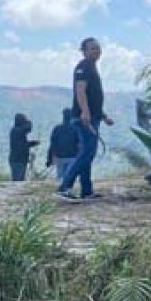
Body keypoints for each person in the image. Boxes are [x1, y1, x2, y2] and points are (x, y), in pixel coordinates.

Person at [56, 37, 114, 201]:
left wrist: (103, 116)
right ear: (84, 51)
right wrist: (85, 112)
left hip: (92, 116)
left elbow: (93, 97)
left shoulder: (92, 67)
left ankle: (87, 191)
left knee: (87, 154)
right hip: (84, 118)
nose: (97, 51)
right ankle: (64, 187)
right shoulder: (83, 67)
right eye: (93, 48)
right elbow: (80, 91)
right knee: (86, 152)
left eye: (98, 48)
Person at [46, 108, 79, 180]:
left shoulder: (57, 128)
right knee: (70, 178)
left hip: (59, 157)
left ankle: (62, 189)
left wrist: (49, 159)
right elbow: (80, 144)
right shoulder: (75, 129)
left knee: (60, 178)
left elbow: (52, 145)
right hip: (72, 156)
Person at [8, 113, 40, 182]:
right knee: (18, 181)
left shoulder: (16, 131)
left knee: (20, 180)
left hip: (19, 159)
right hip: (17, 160)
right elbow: (28, 128)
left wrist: (32, 143)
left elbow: (23, 145)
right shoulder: (17, 131)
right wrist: (28, 121)